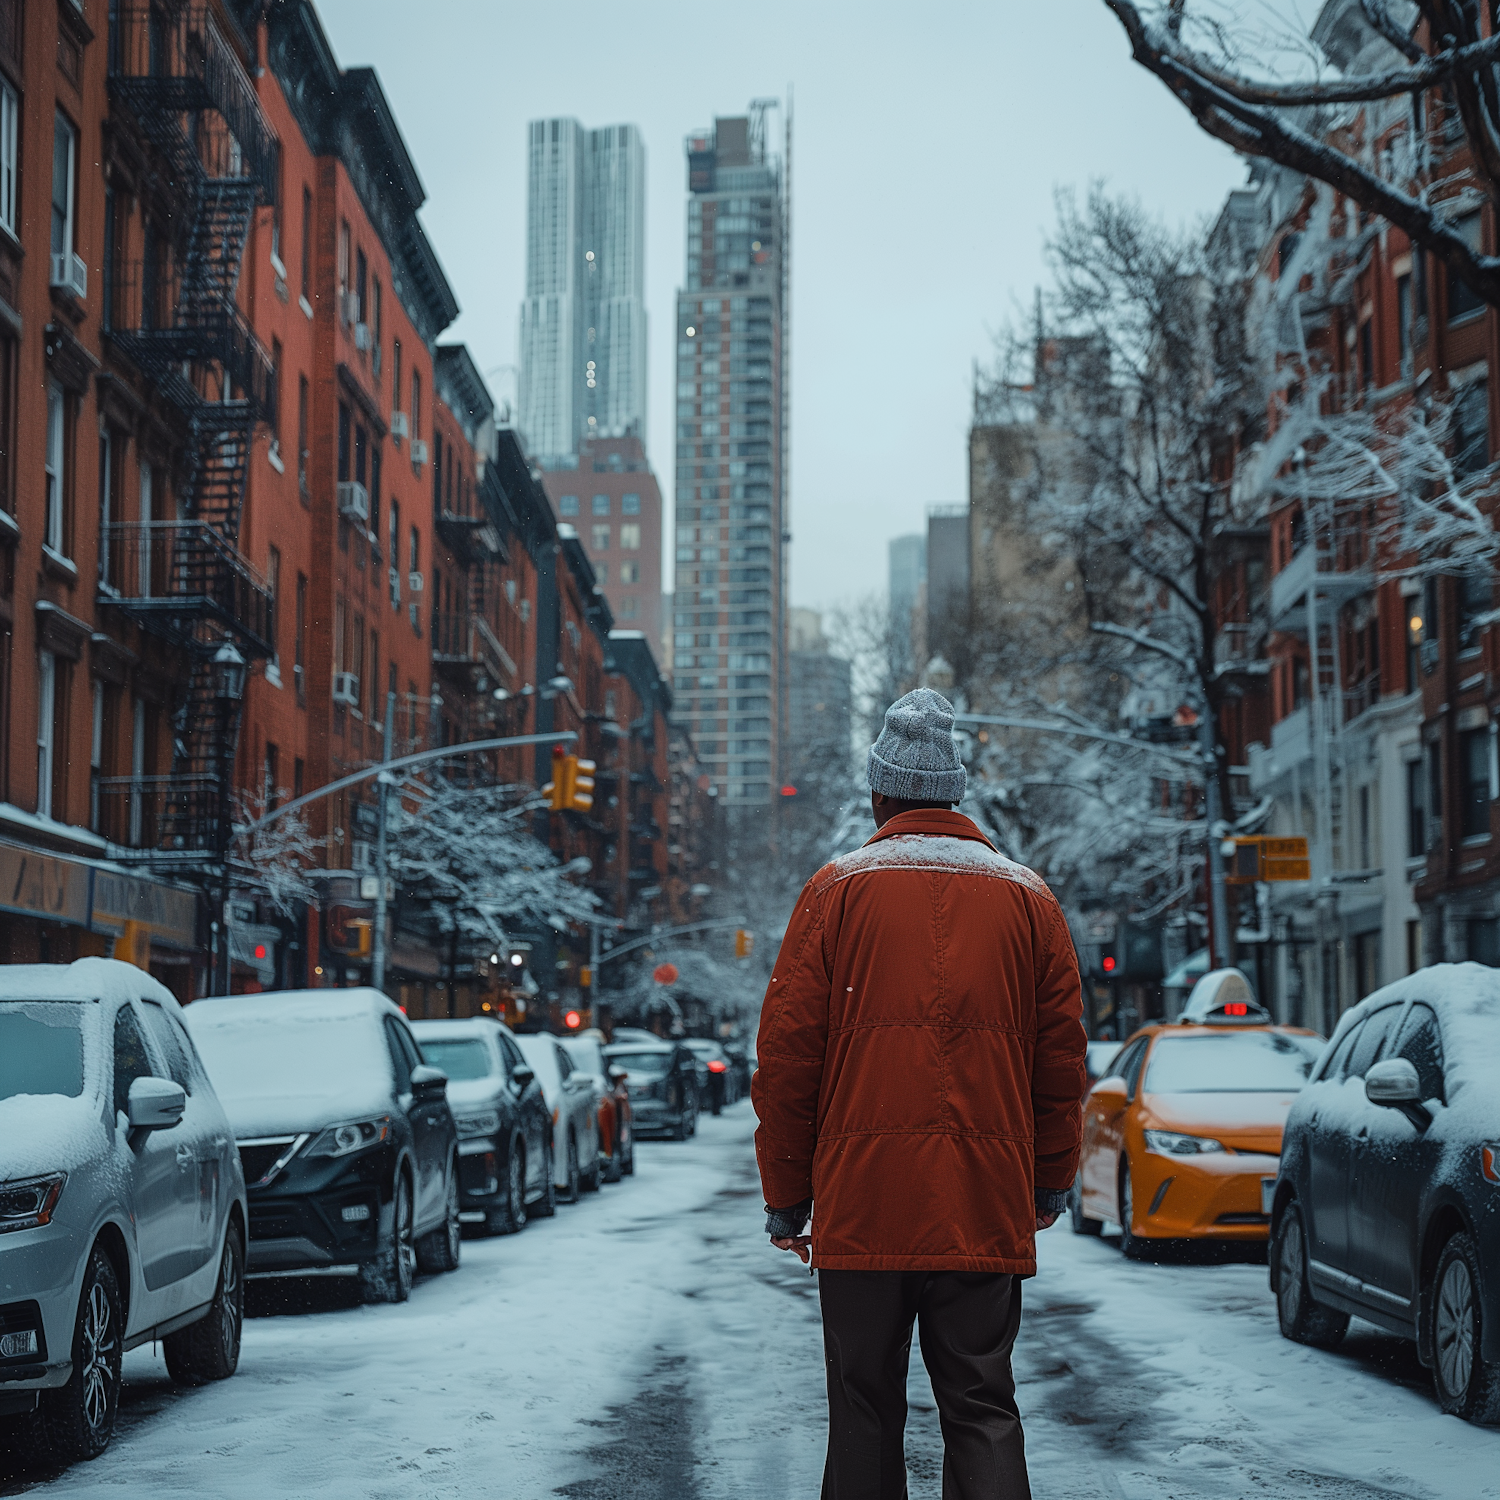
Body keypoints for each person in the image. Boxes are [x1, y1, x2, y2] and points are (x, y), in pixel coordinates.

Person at [752, 687, 1087, 1500]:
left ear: (879, 792)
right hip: (980, 1201)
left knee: (863, 1410)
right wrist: (1047, 1179)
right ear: (956, 793)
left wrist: (789, 1195)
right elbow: (1062, 1061)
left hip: (865, 1206)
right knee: (982, 1406)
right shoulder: (1029, 899)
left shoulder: (837, 891)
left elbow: (788, 1056)